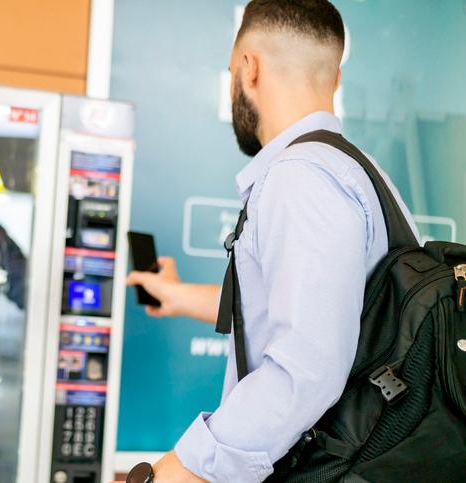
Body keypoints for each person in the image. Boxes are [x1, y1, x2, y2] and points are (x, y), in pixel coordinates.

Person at [119, 1, 418, 482]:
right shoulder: (362, 176)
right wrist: (178, 298)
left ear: (247, 68)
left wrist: (188, 468)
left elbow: (307, 366)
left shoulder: (301, 178)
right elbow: (313, 310)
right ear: (334, 80)